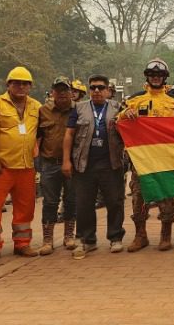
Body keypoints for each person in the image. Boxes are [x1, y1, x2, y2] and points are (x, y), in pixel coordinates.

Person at [0, 67, 41, 265]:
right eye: (16, 83)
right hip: (0, 168)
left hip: (26, 167)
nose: (21, 86)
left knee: (25, 208)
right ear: (8, 85)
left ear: (30, 87)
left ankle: (22, 243)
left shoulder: (36, 107)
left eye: (25, 83)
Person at [118, 59, 174, 252]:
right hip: (141, 160)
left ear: (164, 78)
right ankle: (141, 236)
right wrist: (124, 115)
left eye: (159, 75)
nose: (156, 78)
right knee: (138, 198)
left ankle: (166, 235)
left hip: (164, 160)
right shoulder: (134, 101)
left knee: (166, 198)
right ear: (147, 76)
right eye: (152, 75)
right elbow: (117, 121)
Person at [63, 75, 125, 259]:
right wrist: (66, 160)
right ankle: (87, 240)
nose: (96, 91)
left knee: (114, 201)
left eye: (101, 87)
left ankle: (115, 237)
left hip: (111, 163)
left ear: (108, 90)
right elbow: (69, 135)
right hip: (84, 164)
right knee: (84, 204)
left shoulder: (117, 108)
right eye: (93, 88)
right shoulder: (79, 108)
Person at [37, 77, 76, 255]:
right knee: (50, 202)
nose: (61, 94)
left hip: (73, 164)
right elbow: (36, 138)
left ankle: (69, 236)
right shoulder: (42, 111)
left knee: (71, 200)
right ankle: (47, 239)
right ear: (52, 92)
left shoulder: (79, 110)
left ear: (71, 92)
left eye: (65, 90)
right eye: (57, 90)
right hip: (49, 163)